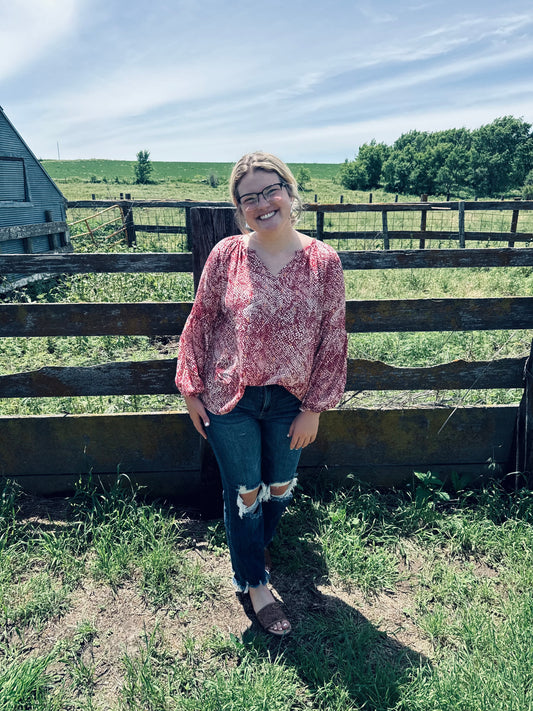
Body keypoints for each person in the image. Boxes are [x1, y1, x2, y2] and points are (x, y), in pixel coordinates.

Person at [175, 151, 347, 636]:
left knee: (278, 488)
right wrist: (191, 388)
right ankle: (254, 582)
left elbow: (332, 335)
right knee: (244, 491)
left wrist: (314, 408)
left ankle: (254, 546)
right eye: (248, 197)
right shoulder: (227, 255)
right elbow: (202, 319)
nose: (262, 203)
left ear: (290, 194)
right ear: (240, 208)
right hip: (231, 396)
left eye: (270, 190)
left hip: (291, 401)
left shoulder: (323, 261)